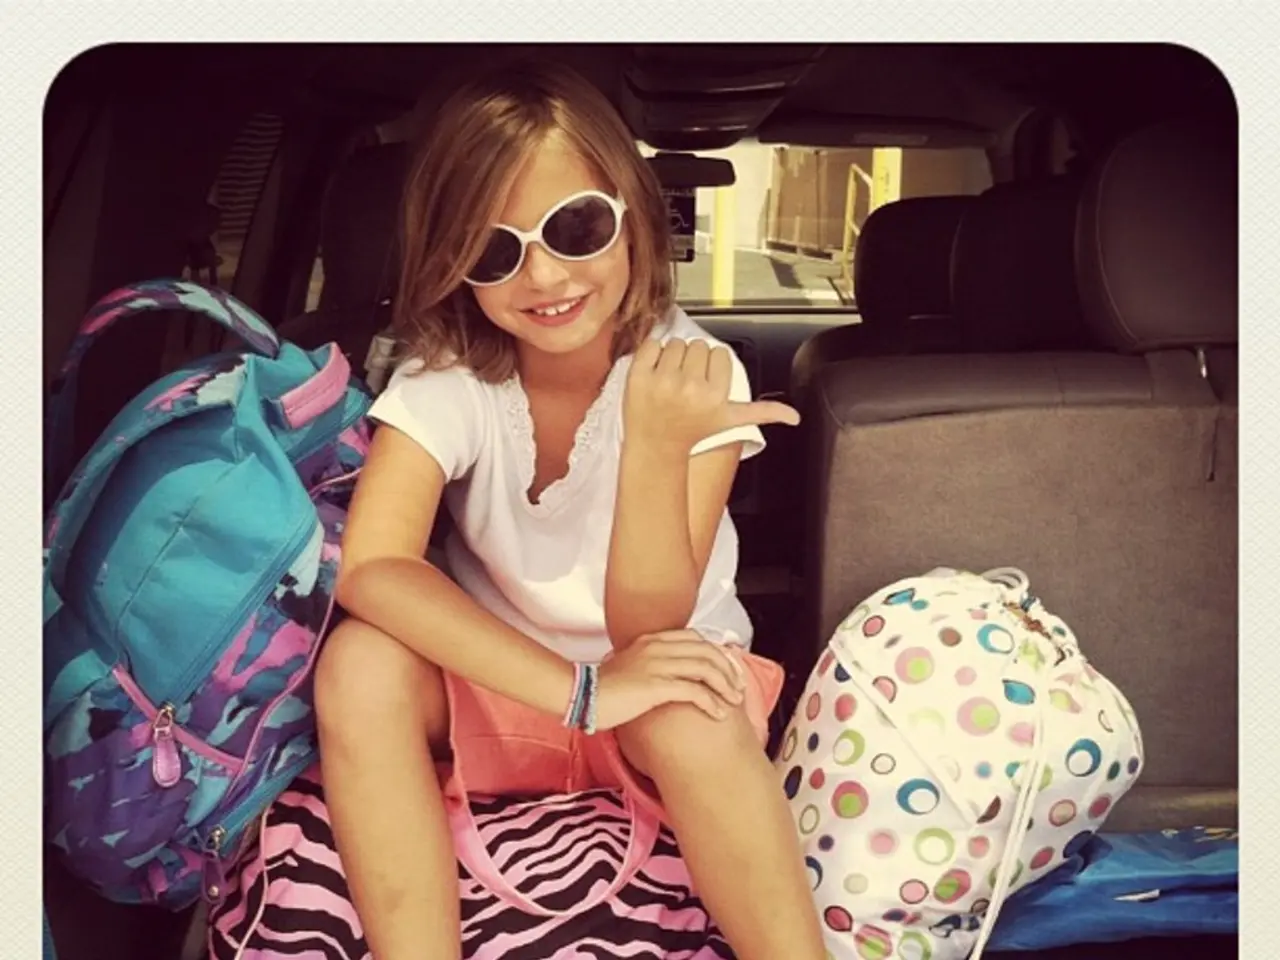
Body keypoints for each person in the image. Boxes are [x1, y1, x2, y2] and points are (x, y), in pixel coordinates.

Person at [314, 59, 826, 960]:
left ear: (635, 215)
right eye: (494, 251)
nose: (543, 275)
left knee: (690, 707)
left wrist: (657, 444)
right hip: (512, 694)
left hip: (661, 688)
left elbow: (647, 626)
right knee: (359, 664)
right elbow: (373, 566)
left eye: (575, 226)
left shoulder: (694, 371)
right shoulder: (447, 377)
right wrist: (577, 691)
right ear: (453, 262)